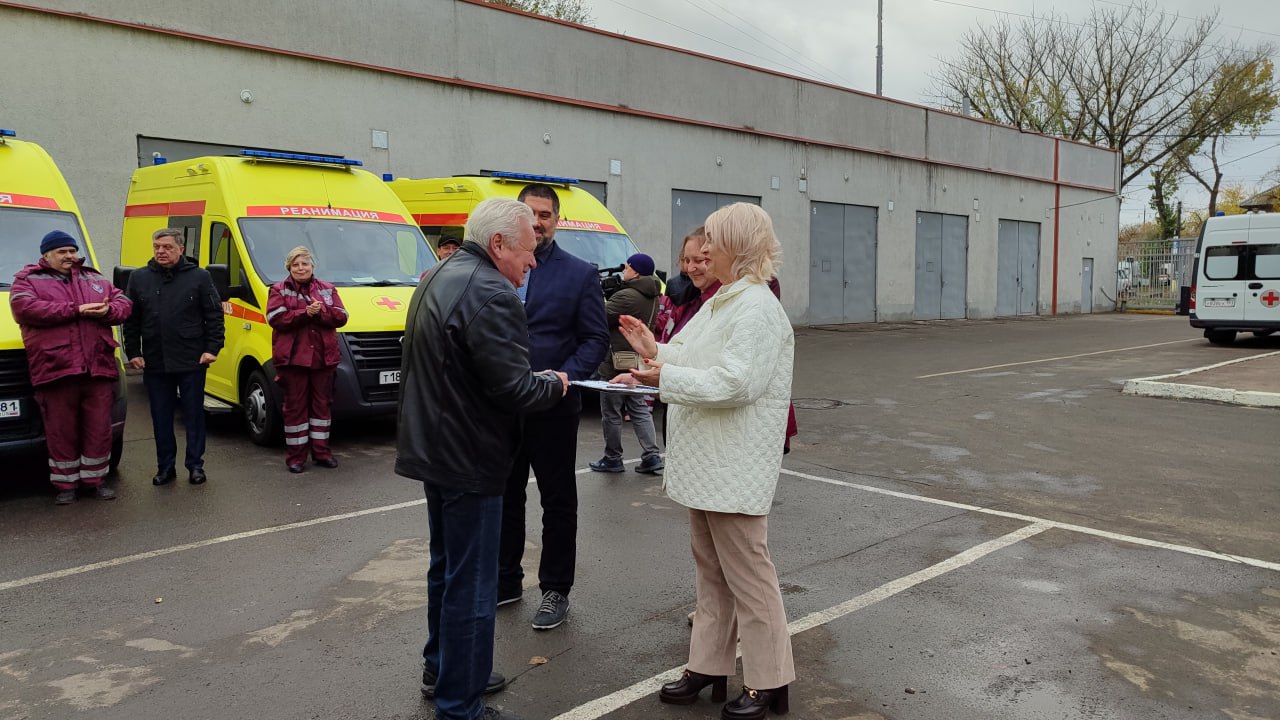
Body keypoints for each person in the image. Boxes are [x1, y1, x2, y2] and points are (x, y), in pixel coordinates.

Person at [618, 203, 795, 720]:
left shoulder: (757, 308)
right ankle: (708, 666)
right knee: (712, 574)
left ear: (738, 247)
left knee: (750, 578)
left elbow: (737, 383)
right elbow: (688, 357)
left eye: (714, 241)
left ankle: (769, 679)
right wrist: (654, 351)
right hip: (707, 466)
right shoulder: (722, 302)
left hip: (734, 466)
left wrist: (660, 377)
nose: (704, 251)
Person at [395, 197, 568, 720]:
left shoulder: (440, 272)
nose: (533, 262)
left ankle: (446, 669)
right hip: (469, 456)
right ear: (498, 244)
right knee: (472, 585)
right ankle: (460, 704)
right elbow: (514, 389)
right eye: (527, 250)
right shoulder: (493, 293)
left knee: (446, 569)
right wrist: (553, 385)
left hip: (435, 449)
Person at [498, 183, 609, 631]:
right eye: (531, 213)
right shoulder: (498, 267)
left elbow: (595, 339)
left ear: (557, 220)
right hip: (503, 407)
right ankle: (505, 580)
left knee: (558, 501)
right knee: (503, 495)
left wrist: (563, 376)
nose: (539, 221)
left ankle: (555, 590)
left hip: (553, 408)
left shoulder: (579, 274)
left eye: (546, 214)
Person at [9, 230, 132, 504]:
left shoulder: (94, 277)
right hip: (56, 368)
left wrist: (108, 311)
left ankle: (95, 482)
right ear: (46, 255)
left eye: (72, 251)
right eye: (62, 252)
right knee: (61, 430)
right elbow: (26, 310)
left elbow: (124, 303)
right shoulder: (27, 280)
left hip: (97, 367)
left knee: (98, 429)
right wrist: (77, 310)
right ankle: (66, 487)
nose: (70, 256)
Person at [124, 228, 224, 486]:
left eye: (167, 247)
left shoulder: (199, 277)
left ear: (181, 249)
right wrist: (133, 351)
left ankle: (195, 466)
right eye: (157, 246)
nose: (161, 251)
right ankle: (165, 467)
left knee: (193, 415)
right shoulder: (139, 278)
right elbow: (131, 320)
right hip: (156, 361)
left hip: (192, 359)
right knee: (160, 417)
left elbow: (214, 315)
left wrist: (213, 348)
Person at [266, 246, 349, 473]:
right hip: (293, 360)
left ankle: (322, 453)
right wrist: (306, 313)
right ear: (289, 268)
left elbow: (342, 316)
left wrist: (322, 311)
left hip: (323, 359)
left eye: (305, 264)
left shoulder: (327, 289)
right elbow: (276, 318)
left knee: (322, 407)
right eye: (296, 264)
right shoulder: (278, 290)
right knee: (295, 409)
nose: (301, 268)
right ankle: (296, 458)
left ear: (313, 266)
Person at [589, 252, 663, 475]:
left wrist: (597, 295)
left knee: (611, 410)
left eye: (627, 267)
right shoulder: (653, 295)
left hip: (617, 358)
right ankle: (651, 455)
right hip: (638, 358)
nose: (623, 271)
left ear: (636, 271)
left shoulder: (626, 296)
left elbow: (599, 317)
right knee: (639, 407)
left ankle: (613, 457)